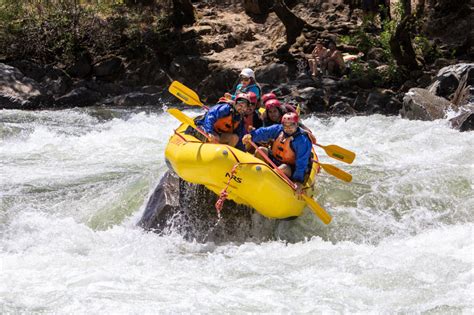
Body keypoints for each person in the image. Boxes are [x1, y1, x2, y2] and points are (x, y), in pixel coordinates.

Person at [242, 112, 313, 196]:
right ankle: (256, 174)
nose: (288, 128)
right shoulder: (278, 129)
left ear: (296, 124)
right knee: (260, 150)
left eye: (291, 125)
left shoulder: (302, 140)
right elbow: (264, 132)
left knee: (283, 168)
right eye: (285, 125)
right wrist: (252, 136)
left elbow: (302, 162)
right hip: (275, 160)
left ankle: (265, 181)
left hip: (291, 167)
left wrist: (298, 181)